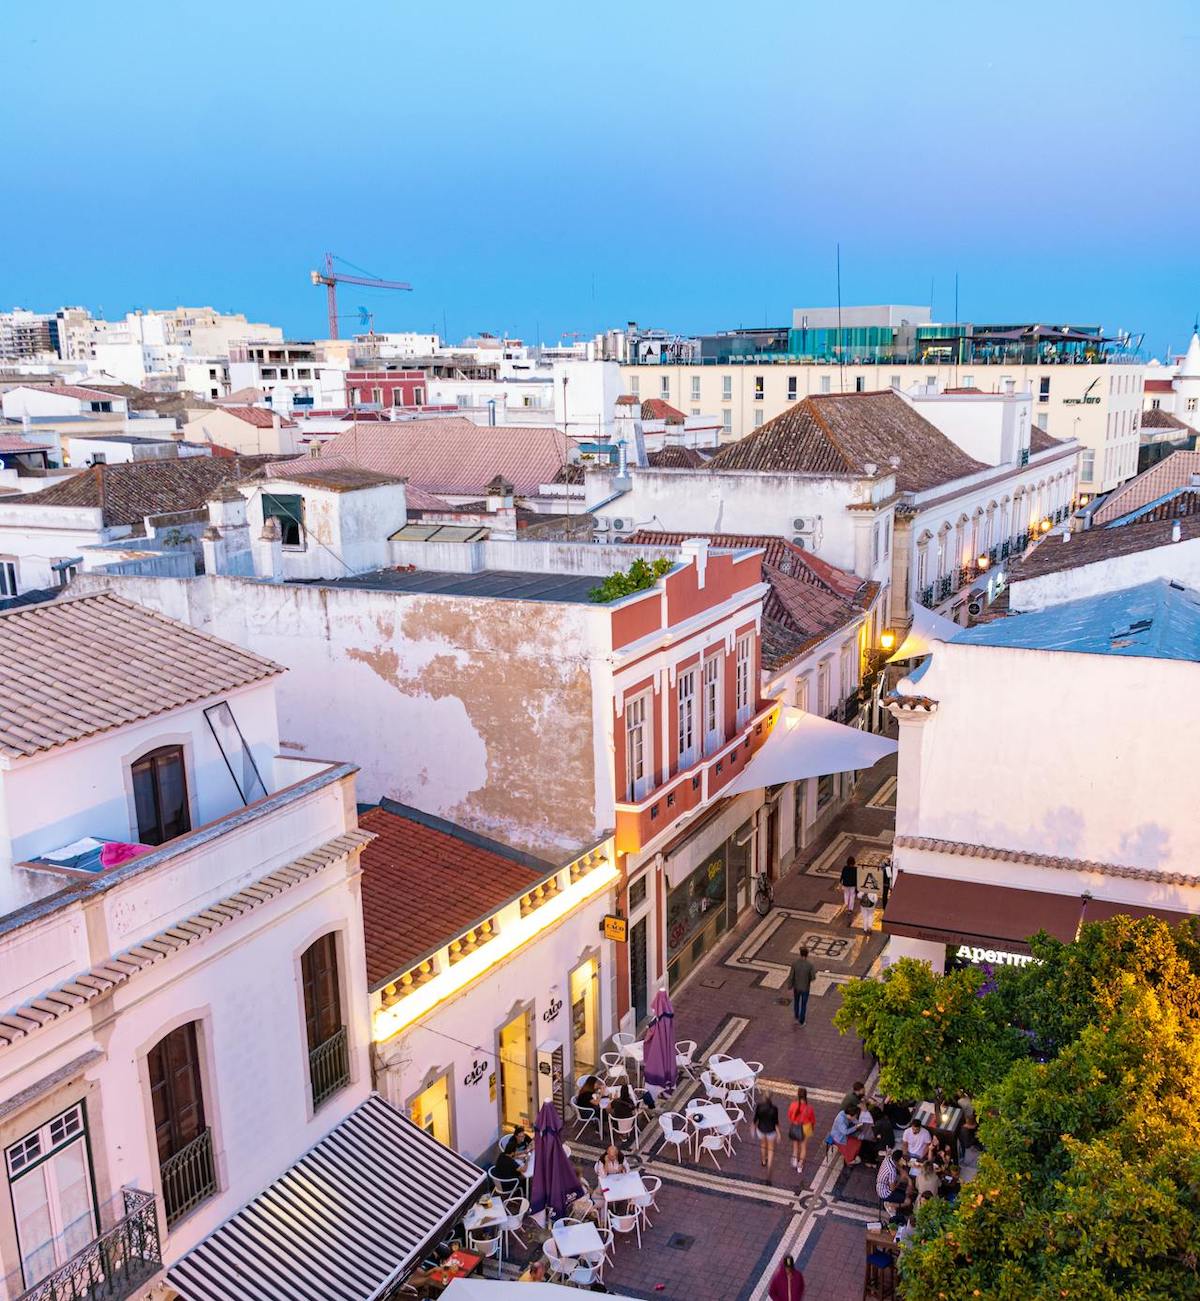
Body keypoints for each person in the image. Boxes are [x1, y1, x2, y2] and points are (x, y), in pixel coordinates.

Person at [787, 1087, 816, 1170]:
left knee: (795, 1146)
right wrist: (812, 1128)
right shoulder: (809, 1108)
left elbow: (789, 1116)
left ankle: (795, 1161)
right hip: (806, 1128)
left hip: (795, 1126)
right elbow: (813, 1120)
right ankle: (800, 1165)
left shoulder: (793, 1105)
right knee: (803, 1148)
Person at [755, 1090, 781, 1173]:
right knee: (771, 1148)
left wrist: (753, 1127)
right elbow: (776, 1122)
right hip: (771, 1131)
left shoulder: (759, 1106)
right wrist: (779, 1134)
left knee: (763, 1145)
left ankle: (763, 1160)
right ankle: (769, 1166)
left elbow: (756, 1119)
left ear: (764, 1097)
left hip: (761, 1129)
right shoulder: (774, 1109)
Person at [789, 946, 816, 1026]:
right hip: (805, 988)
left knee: (796, 1002)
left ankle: (796, 1016)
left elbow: (791, 976)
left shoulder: (795, 963)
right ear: (807, 955)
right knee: (803, 1004)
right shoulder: (810, 965)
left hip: (796, 987)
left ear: (800, 954)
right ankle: (801, 1021)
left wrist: (790, 985)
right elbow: (813, 977)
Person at [840, 855, 859, 919]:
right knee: (852, 896)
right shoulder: (855, 869)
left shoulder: (845, 868)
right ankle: (850, 909)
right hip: (852, 885)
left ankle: (846, 904)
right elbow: (857, 878)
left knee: (846, 894)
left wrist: (841, 882)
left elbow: (842, 875)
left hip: (846, 884)